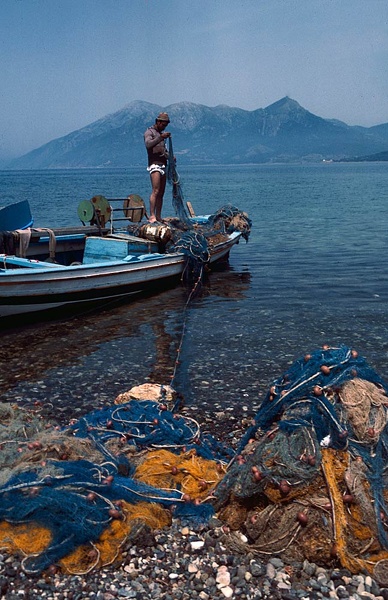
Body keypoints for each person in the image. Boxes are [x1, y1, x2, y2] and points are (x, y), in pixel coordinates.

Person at [143, 112, 171, 223]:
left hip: (163, 164)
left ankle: (158, 216)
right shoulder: (149, 132)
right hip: (154, 164)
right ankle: (152, 216)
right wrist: (160, 137)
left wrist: (170, 156)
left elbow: (162, 150)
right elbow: (148, 144)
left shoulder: (161, 133)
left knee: (161, 192)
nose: (164, 127)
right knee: (155, 190)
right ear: (158, 122)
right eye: (163, 124)